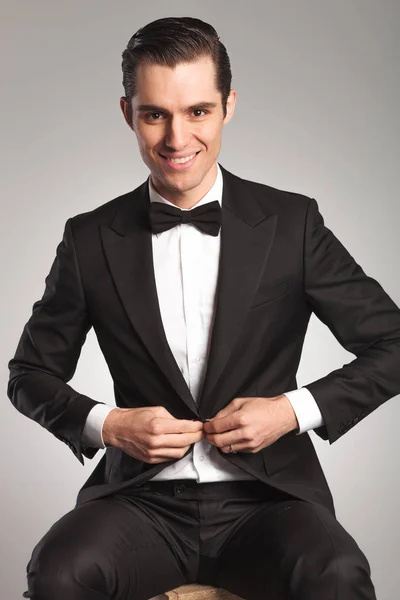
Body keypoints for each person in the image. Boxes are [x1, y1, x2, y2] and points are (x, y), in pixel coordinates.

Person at [7, 16, 400, 600]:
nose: (176, 138)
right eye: (154, 114)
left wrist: (291, 412)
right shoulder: (89, 238)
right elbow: (29, 377)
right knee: (60, 572)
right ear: (127, 113)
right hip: (140, 504)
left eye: (197, 112)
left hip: (268, 503)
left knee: (337, 574)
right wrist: (110, 425)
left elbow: (392, 344)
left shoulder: (291, 223)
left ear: (228, 106)